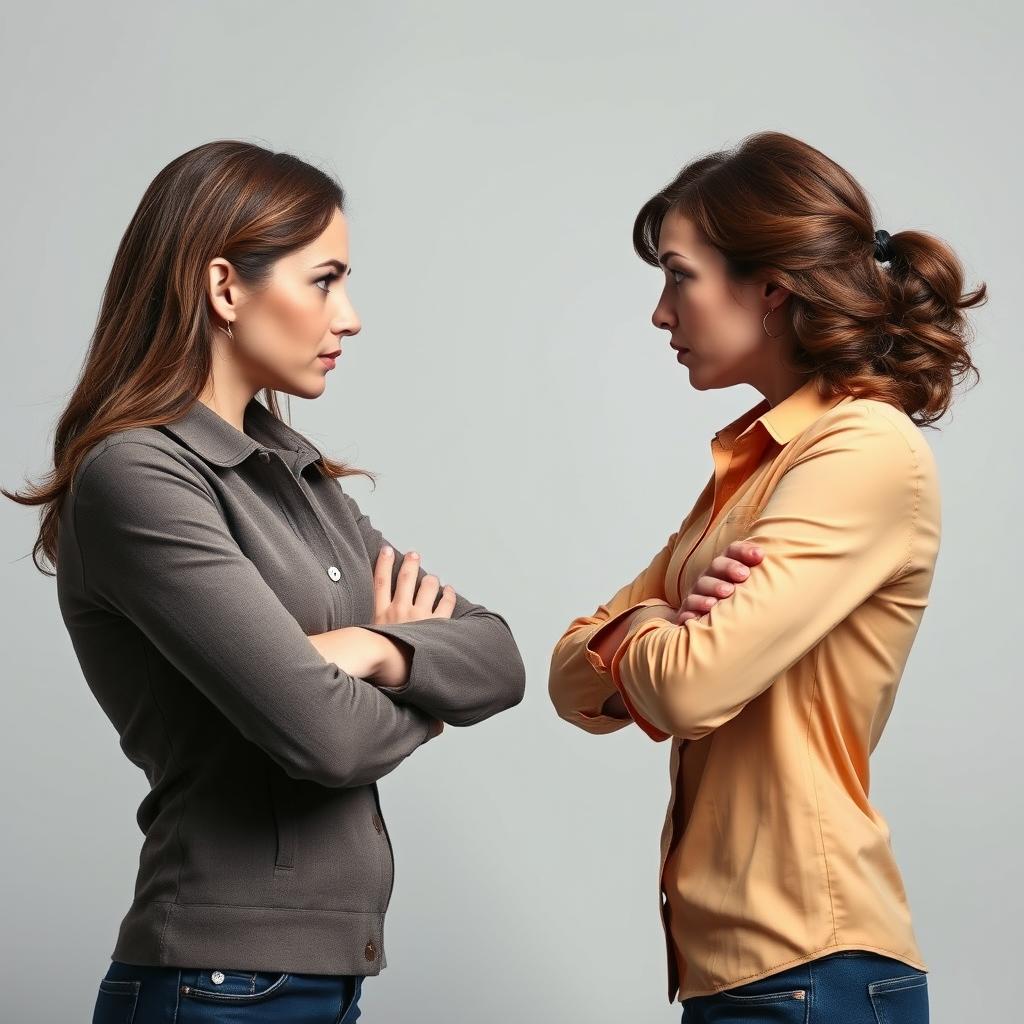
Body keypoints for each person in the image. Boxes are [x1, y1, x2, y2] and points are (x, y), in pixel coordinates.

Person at [4, 140, 526, 1023]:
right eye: (324, 280)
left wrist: (365, 646)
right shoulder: (138, 479)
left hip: (317, 983)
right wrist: (425, 686)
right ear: (224, 289)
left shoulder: (294, 473)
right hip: (217, 985)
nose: (350, 316)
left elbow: (499, 657)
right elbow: (324, 739)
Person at [548, 130, 985, 1023]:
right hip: (747, 974)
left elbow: (689, 688)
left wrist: (638, 630)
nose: (660, 315)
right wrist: (661, 628)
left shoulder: (863, 451)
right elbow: (563, 676)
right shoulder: (755, 466)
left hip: (810, 967)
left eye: (678, 276)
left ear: (772, 291)